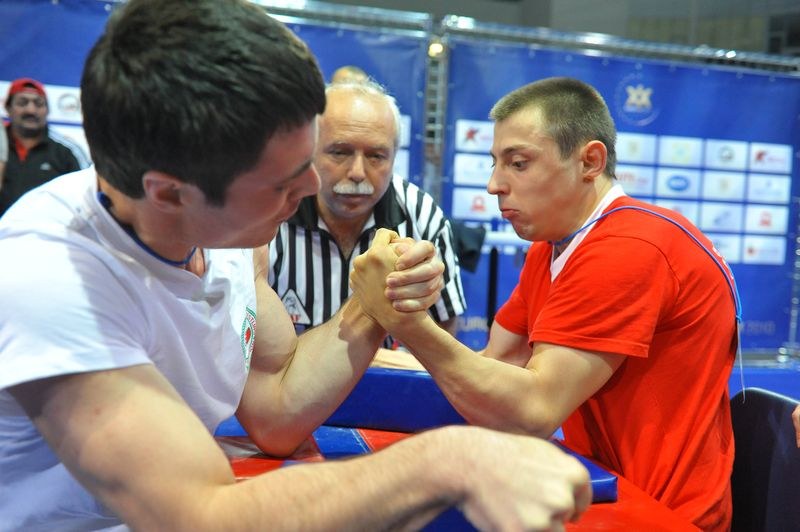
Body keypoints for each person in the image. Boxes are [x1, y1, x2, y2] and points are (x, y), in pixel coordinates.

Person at [0, 3, 592, 530]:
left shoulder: (230, 236)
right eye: (283, 181)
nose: (315, 187)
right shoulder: (49, 276)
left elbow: (277, 412)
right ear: (171, 193)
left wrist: (373, 303)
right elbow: (200, 514)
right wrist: (451, 459)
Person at [351, 76, 738, 530]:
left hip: (662, 516)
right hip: (599, 490)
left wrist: (406, 321)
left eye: (518, 163)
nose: (495, 184)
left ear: (590, 161)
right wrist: (369, 349)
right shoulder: (552, 245)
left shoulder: (630, 247)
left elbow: (532, 409)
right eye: (496, 163)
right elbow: (495, 365)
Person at [269, 80, 465, 368]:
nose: (358, 173)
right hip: (281, 399)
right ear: (309, 150)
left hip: (389, 400)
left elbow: (444, 335)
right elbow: (247, 345)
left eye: (376, 156)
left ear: (394, 156)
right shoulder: (271, 214)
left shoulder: (420, 215)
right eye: (340, 152)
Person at [0, 78, 83, 216]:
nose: (31, 110)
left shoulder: (66, 152)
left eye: (39, 104)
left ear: (47, 110)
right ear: (8, 108)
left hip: (48, 235)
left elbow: (84, 200)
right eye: (22, 103)